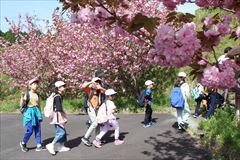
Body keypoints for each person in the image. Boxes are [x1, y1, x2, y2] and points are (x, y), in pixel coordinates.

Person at [19, 78, 45, 152]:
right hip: (29, 113)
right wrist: (21, 97)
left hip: (36, 113)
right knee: (30, 130)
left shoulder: (37, 94)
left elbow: (39, 105)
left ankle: (39, 145)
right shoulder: (27, 94)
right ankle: (23, 143)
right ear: (30, 86)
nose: (36, 85)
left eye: (37, 84)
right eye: (34, 84)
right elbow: (21, 104)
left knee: (38, 129)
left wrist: (40, 114)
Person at [46, 81, 70, 155]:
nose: (64, 88)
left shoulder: (57, 95)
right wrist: (64, 113)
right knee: (61, 132)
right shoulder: (57, 96)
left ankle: (60, 147)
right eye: (63, 86)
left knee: (63, 132)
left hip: (58, 115)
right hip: (57, 116)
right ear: (59, 88)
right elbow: (59, 108)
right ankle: (51, 145)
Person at [81, 77, 106, 146]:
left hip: (96, 109)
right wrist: (91, 82)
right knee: (95, 123)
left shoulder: (98, 90)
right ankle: (85, 138)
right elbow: (83, 86)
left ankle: (97, 139)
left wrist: (99, 87)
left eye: (98, 82)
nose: (97, 83)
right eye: (96, 82)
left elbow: (105, 91)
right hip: (90, 108)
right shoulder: (89, 89)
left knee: (97, 123)